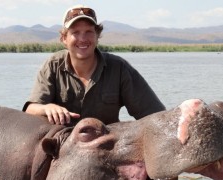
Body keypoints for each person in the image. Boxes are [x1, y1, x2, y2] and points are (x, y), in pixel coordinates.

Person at [23, 5, 165, 125]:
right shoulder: (53, 65)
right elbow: (30, 110)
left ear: (98, 36)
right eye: (75, 32)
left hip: (106, 147)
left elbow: (155, 116)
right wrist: (46, 108)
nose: (83, 39)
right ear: (64, 38)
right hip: (63, 147)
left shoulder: (119, 68)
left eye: (89, 32)